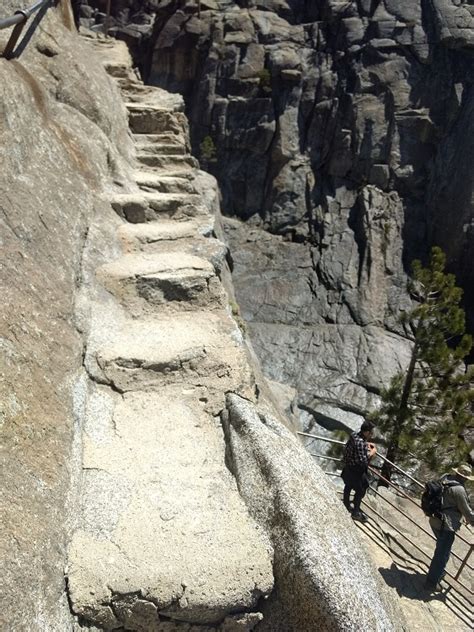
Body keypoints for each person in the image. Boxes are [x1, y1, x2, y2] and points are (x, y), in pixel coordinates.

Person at [425, 463, 474, 591]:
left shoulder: (445, 477)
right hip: (447, 525)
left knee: (443, 551)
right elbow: (467, 511)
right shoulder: (459, 490)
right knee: (441, 554)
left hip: (435, 519)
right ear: (465, 478)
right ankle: (431, 582)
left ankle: (439, 572)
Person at [341, 420, 377, 522]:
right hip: (356, 470)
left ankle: (346, 504)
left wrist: (366, 444)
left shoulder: (354, 435)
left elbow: (355, 448)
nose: (372, 434)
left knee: (348, 485)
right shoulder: (361, 443)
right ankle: (356, 512)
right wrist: (372, 452)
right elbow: (363, 461)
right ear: (366, 432)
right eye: (371, 432)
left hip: (348, 466)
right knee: (361, 489)